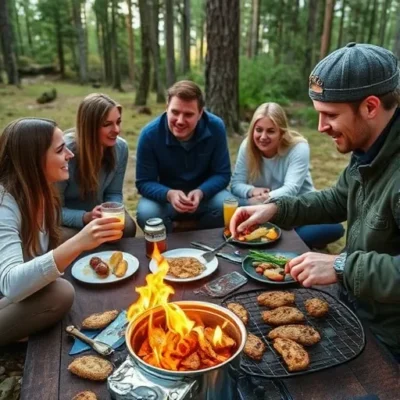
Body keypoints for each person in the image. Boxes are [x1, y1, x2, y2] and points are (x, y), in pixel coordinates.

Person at [229, 42, 400, 360]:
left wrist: (342, 266)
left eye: (330, 115)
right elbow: (338, 198)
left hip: (389, 337)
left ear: (371, 106)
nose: (321, 128)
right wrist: (275, 209)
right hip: (357, 307)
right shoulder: (371, 148)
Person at [0, 118, 124, 346]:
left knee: (93, 239)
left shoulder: (41, 191)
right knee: (61, 293)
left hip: (20, 287)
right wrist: (79, 242)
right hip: (6, 294)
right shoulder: (4, 204)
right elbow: (10, 283)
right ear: (33, 160)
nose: (70, 154)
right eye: (60, 150)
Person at [231, 102, 344, 248]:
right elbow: (236, 184)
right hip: (261, 211)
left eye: (271, 131)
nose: (263, 137)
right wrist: (251, 190)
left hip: (298, 210)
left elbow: (291, 189)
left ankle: (285, 240)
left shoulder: (298, 148)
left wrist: (266, 199)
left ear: (281, 132)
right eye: (259, 130)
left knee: (334, 228)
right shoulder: (247, 146)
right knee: (233, 205)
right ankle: (282, 240)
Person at [136, 80, 232, 232]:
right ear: (166, 107)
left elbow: (222, 174)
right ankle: (182, 233)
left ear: (200, 113)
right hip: (166, 200)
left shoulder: (216, 127)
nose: (180, 121)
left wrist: (201, 192)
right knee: (147, 213)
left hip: (204, 198)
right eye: (175, 112)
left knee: (228, 204)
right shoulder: (149, 134)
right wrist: (169, 194)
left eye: (188, 114)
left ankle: (186, 229)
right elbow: (144, 182)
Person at [58, 93, 136, 241]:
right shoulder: (65, 152)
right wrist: (85, 217)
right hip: (69, 220)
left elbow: (114, 193)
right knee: (64, 238)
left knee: (128, 226)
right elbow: (53, 211)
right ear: (89, 127)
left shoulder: (120, 148)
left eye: (118, 122)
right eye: (107, 124)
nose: (116, 130)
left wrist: (112, 212)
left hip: (98, 215)